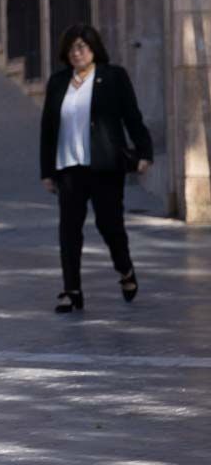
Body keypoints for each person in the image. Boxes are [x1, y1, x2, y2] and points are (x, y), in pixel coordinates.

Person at [39, 24, 153, 314]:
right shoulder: (58, 82)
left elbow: (132, 116)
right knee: (69, 230)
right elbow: (48, 129)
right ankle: (71, 290)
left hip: (104, 166)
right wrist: (47, 171)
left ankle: (125, 269)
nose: (77, 53)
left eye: (82, 46)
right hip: (69, 167)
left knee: (109, 224)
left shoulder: (112, 77)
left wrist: (144, 152)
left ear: (94, 48)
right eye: (72, 48)